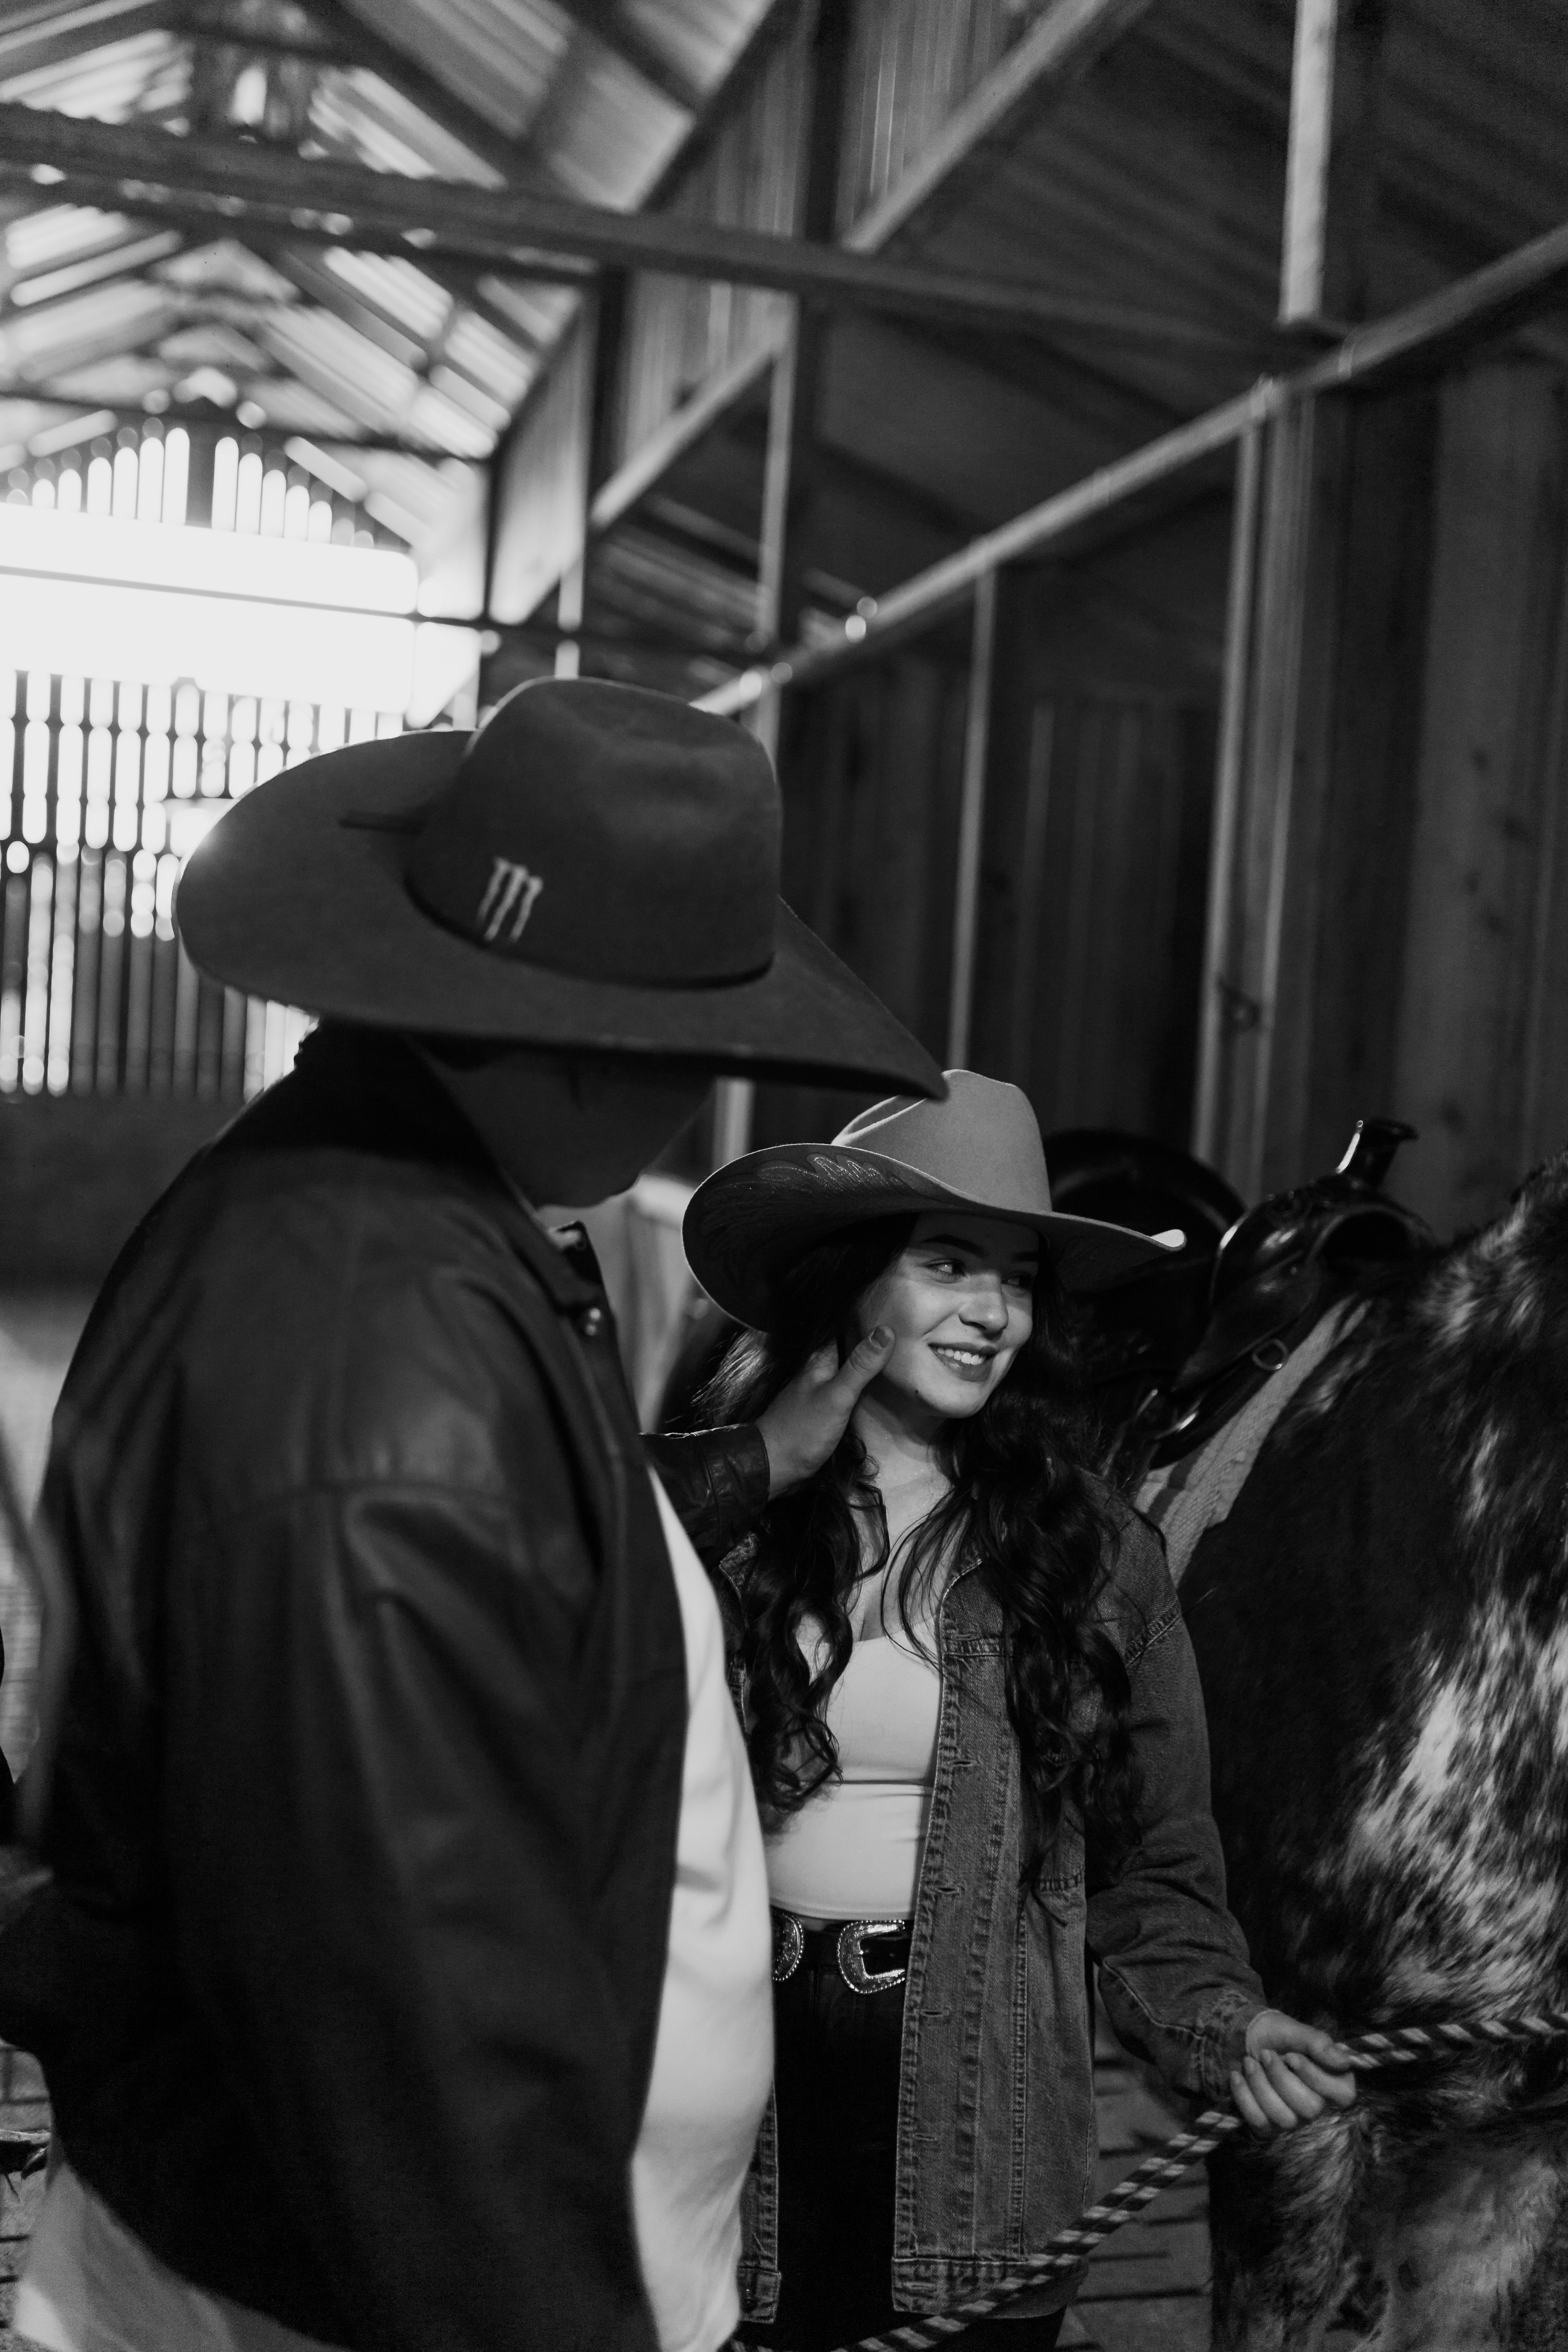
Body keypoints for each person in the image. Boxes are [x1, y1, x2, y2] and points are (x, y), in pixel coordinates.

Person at [5, 678, 943, 2352]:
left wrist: (753, 1466)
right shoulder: (376, 1356)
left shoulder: (414, 1224)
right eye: (693, 1055)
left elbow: (507, 1566)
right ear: (594, 1049)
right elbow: (415, 2017)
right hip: (352, 2304)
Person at [668, 1072, 1359, 2352]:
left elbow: (1154, 1866)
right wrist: (750, 1466)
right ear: (855, 1277)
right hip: (725, 2097)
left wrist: (1223, 2023)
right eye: (948, 1264)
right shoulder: (724, 1511)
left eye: (1018, 1276)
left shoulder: (1092, 1555)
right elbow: (552, 1560)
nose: (992, 1311)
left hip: (972, 2117)